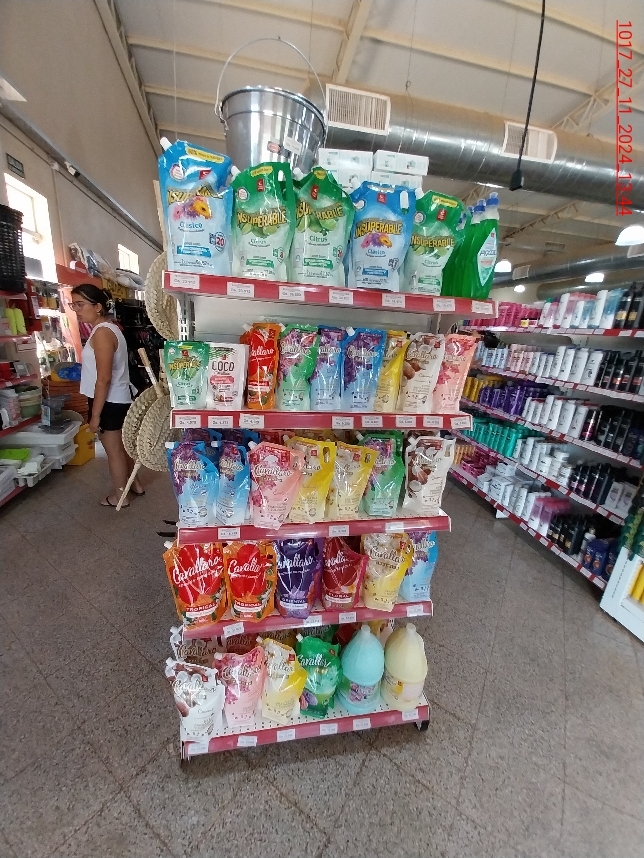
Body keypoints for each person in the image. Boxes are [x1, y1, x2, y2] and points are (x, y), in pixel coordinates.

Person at [69, 284, 144, 507]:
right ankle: (135, 485)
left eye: (80, 304)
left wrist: (95, 416)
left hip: (109, 400)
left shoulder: (102, 333)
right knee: (121, 447)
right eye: (74, 305)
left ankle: (120, 496)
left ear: (98, 306)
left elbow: (103, 379)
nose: (76, 310)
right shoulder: (109, 328)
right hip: (116, 397)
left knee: (114, 451)